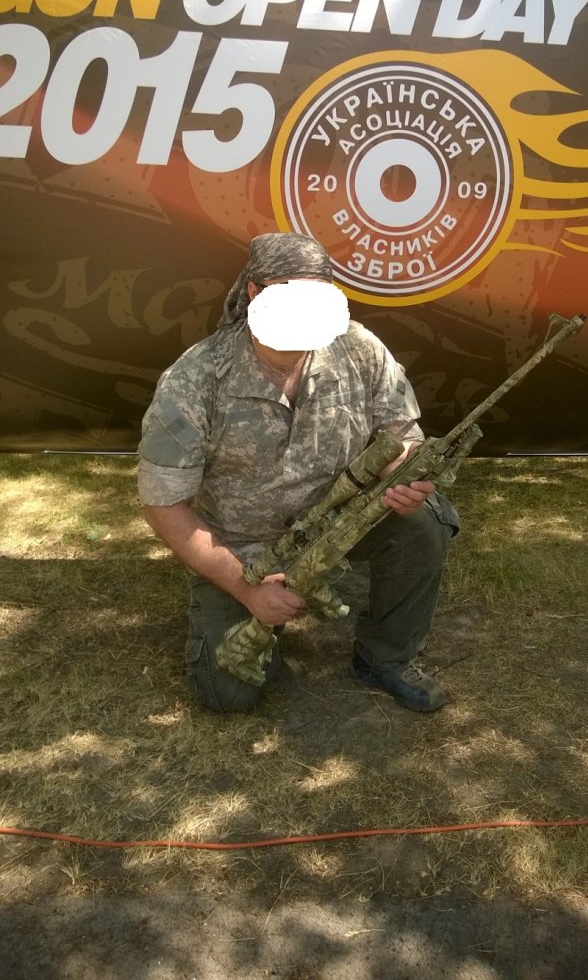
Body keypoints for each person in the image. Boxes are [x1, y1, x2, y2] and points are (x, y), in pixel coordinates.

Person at [138, 232, 459, 714]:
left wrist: (404, 471)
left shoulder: (359, 349)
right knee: (229, 696)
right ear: (254, 292)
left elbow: (403, 433)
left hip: (338, 524)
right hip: (244, 548)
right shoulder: (195, 379)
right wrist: (245, 587)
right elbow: (164, 505)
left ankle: (386, 658)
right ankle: (255, 609)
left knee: (425, 518)